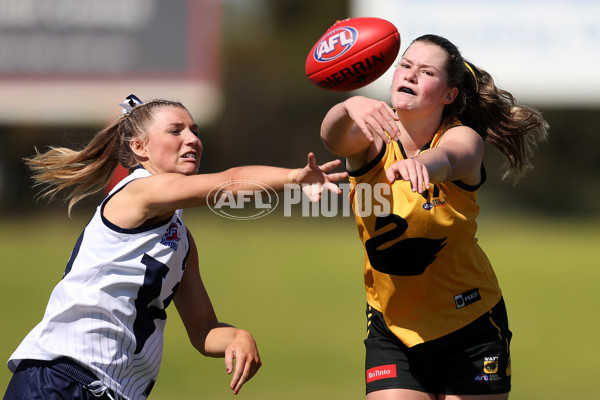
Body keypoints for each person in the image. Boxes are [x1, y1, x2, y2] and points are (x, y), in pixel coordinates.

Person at [4, 94, 348, 400]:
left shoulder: (180, 239)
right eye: (176, 131)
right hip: (61, 380)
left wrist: (236, 337)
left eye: (195, 131)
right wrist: (292, 177)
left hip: (111, 390)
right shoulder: (138, 192)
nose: (193, 139)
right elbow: (226, 184)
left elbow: (202, 330)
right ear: (140, 148)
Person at [320, 34, 548, 400]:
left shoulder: (462, 138)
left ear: (449, 94)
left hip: (470, 324)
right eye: (405, 66)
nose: (410, 75)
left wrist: (421, 163)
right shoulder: (371, 138)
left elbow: (450, 158)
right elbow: (332, 138)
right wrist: (349, 106)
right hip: (392, 326)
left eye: (426, 71)